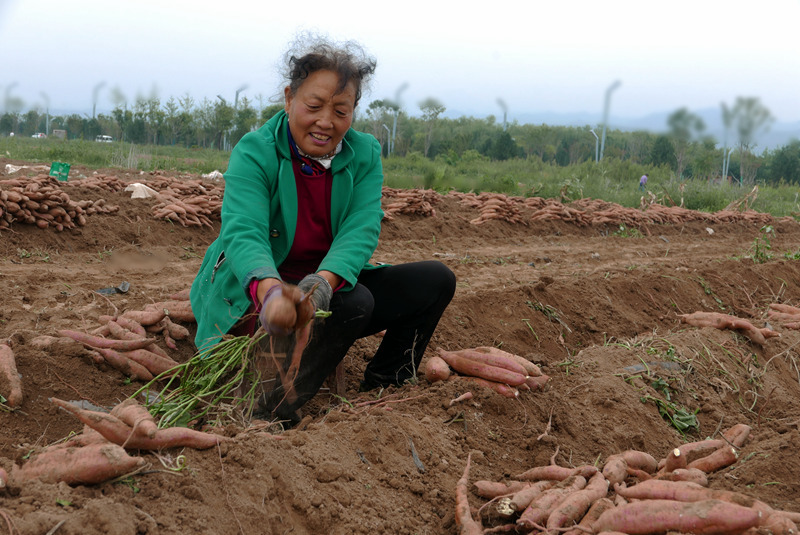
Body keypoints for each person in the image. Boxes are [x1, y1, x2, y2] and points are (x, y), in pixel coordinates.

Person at [190, 35, 456, 427]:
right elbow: (244, 232)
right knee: (355, 303)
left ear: (353, 112)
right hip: (260, 293)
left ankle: (386, 383)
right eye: (314, 106)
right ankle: (268, 405)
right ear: (289, 98)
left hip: (322, 284)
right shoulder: (256, 150)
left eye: (341, 111)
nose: (326, 122)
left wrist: (321, 285)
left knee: (434, 281)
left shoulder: (363, 153)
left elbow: (360, 229)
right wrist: (272, 291)